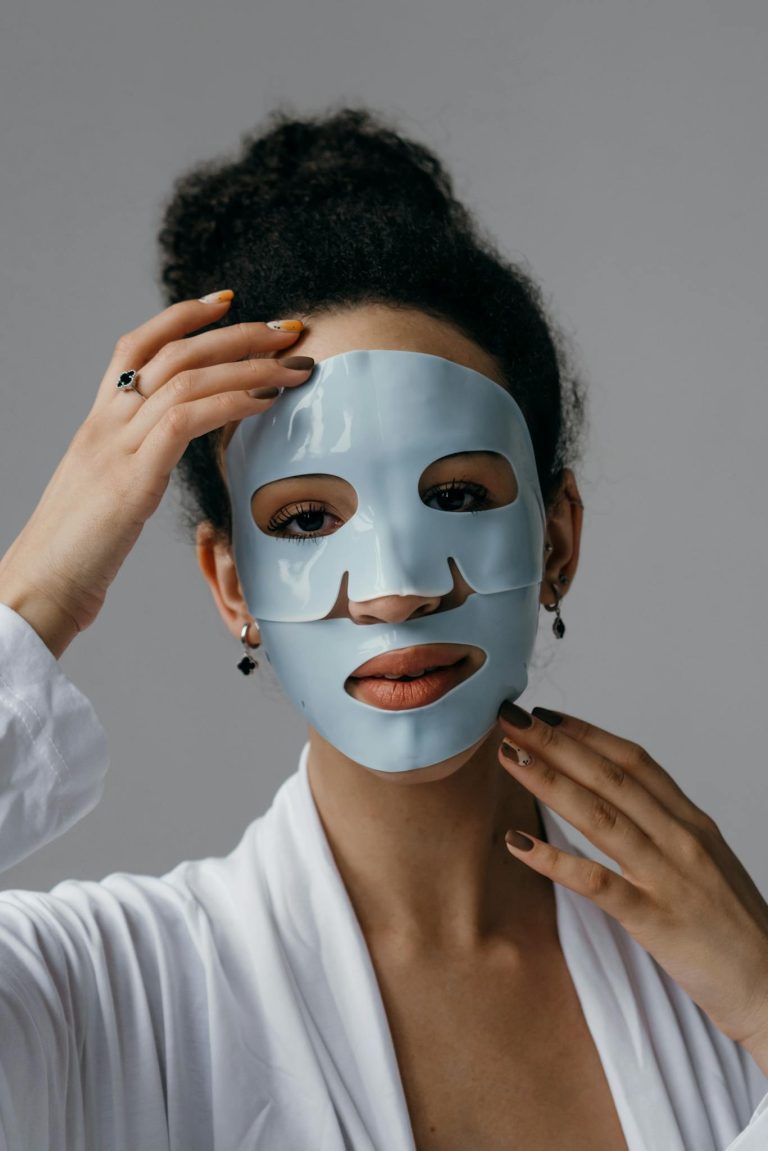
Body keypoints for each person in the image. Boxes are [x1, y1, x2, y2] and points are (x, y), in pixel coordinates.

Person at [0, 104, 766, 1151]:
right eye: (306, 519)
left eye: (455, 496)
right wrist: (36, 589)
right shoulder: (88, 996)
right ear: (231, 583)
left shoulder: (720, 990)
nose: (396, 590)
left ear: (557, 541)